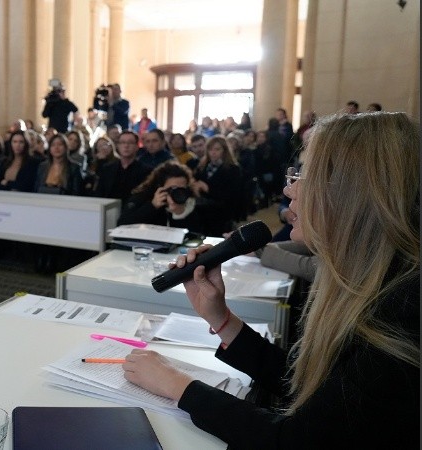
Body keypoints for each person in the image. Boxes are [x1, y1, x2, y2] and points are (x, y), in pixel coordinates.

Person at [122, 112, 420, 449]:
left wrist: (177, 385)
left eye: (307, 174)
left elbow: (295, 441)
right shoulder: (365, 281)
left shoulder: (402, 315)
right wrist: (221, 319)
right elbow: (305, 384)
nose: (289, 189)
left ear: (355, 192)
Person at [117, 161, 205, 234]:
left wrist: (180, 213)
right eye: (172, 188)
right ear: (160, 187)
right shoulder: (144, 196)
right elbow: (123, 224)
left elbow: (195, 237)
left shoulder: (190, 202)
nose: (177, 192)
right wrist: (152, 206)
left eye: (181, 189)